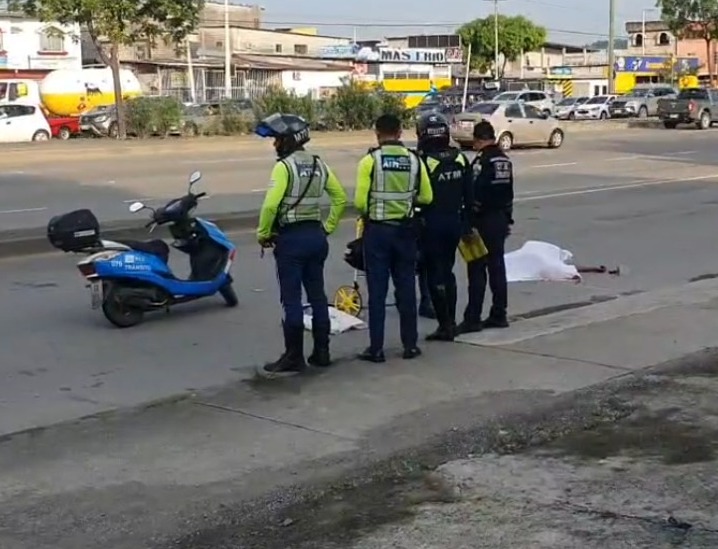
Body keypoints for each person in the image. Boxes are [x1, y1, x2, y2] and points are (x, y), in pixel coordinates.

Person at [255, 113, 347, 376]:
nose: (274, 145)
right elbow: (339, 199)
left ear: (288, 141)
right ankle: (322, 352)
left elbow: (271, 205)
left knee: (292, 301)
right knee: (317, 297)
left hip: (292, 240)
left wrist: (263, 233)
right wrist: (326, 229)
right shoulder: (319, 164)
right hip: (316, 238)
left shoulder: (284, 168)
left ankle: (293, 357)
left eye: (276, 139)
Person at [354, 113, 433, 362]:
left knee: (377, 292)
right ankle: (410, 345)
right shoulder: (415, 161)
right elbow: (427, 197)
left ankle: (376, 349)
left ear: (377, 134)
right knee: (406, 288)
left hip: (378, 232)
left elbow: (359, 203)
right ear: (400, 133)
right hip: (406, 232)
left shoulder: (370, 161)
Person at [415, 112, 472, 341]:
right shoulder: (460, 158)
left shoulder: (424, 162)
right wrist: (467, 224)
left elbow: (418, 196)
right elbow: (470, 195)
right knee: (447, 272)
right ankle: (451, 320)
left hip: (432, 224)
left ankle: (445, 325)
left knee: (434, 275)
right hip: (455, 223)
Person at [457, 119, 514, 334]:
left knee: (477, 269)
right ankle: (499, 313)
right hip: (500, 219)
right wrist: (507, 218)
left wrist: (469, 221)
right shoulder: (504, 160)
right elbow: (509, 192)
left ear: (478, 140)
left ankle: (473, 318)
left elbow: (474, 192)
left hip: (482, 221)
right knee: (497, 268)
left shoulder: (482, 161)